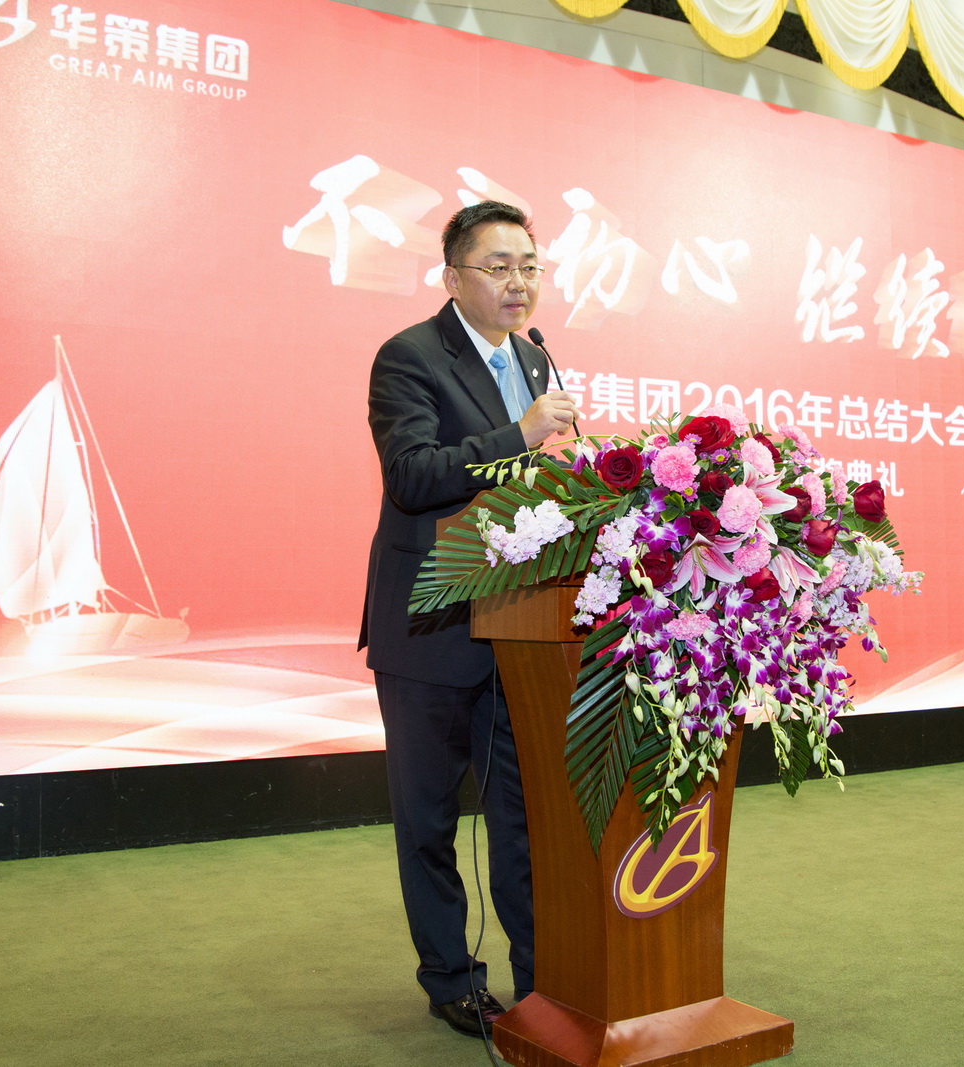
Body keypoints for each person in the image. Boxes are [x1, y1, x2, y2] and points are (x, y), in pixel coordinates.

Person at [360, 201, 578, 1038]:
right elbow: (413, 474)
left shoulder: (535, 357)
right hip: (430, 625)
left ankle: (542, 975)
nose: (519, 282)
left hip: (522, 625)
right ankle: (451, 976)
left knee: (523, 817)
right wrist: (518, 433)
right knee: (430, 818)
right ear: (453, 278)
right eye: (499, 266)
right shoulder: (410, 356)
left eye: (529, 265)